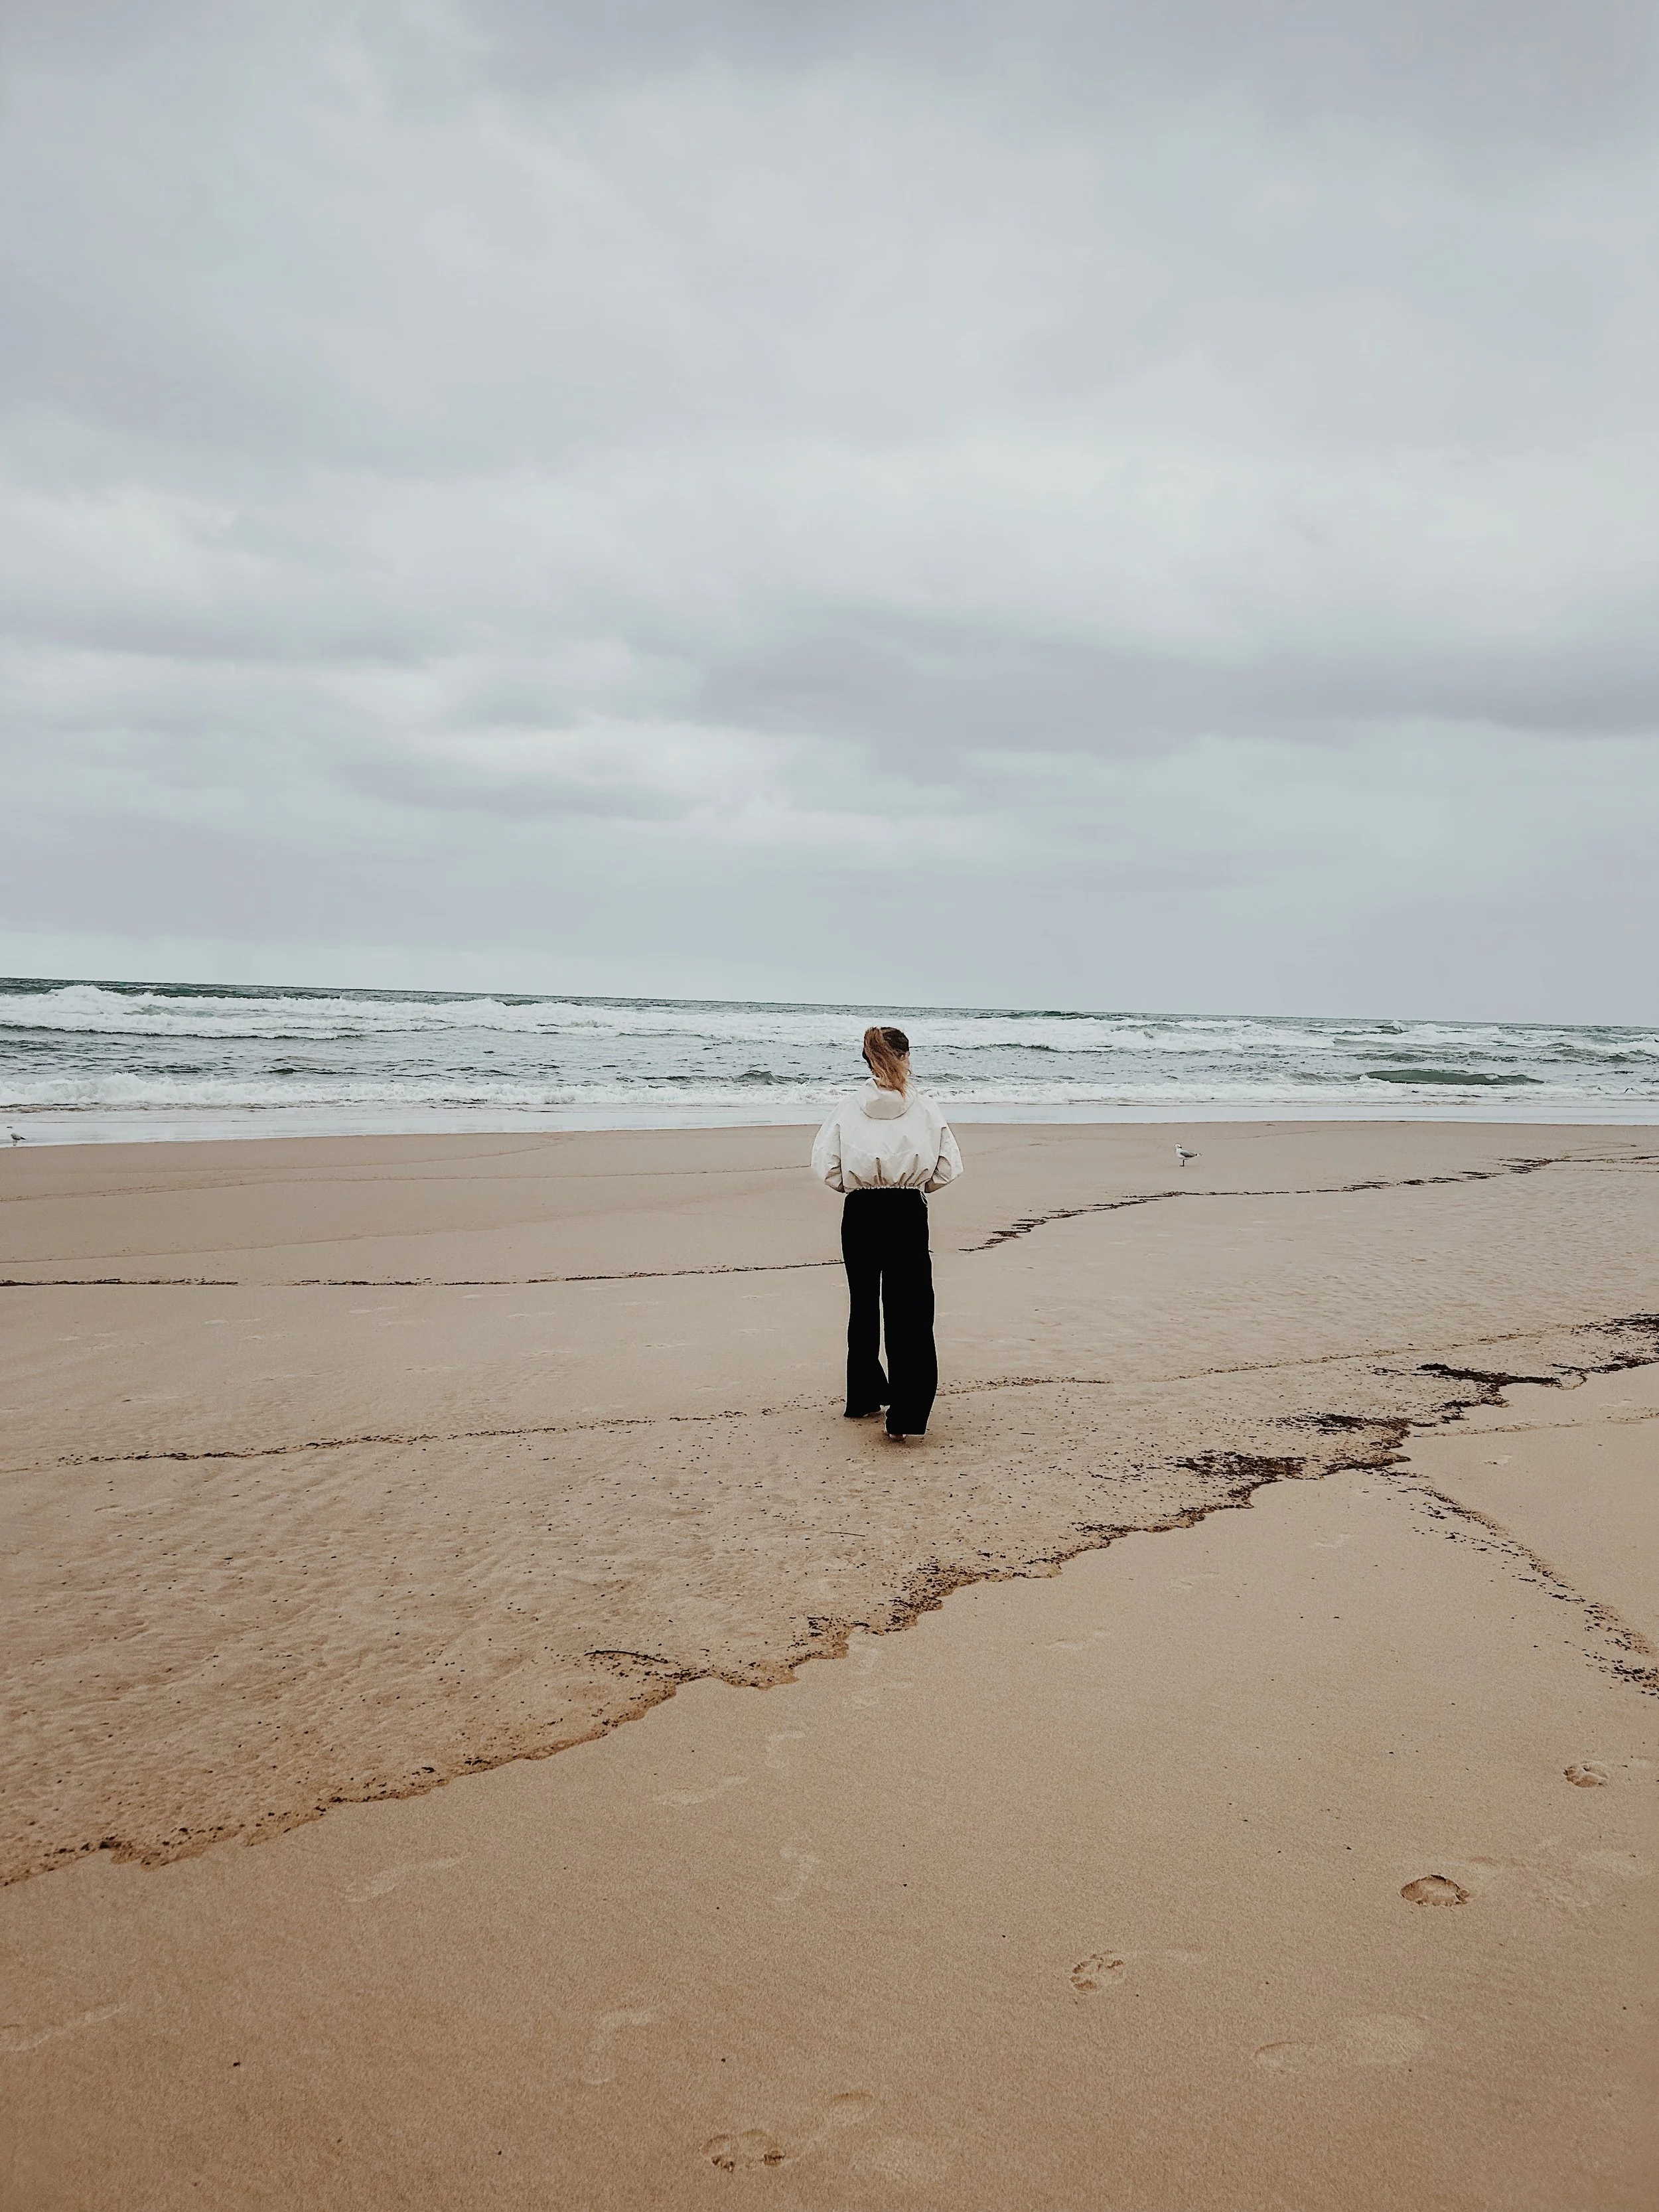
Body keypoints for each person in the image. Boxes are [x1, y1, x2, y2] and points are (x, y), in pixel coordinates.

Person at [810, 1025, 963, 1440]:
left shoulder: (847, 1107)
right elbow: (948, 1166)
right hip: (906, 1210)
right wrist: (918, 1185)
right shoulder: (926, 1107)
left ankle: (863, 1397)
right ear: (906, 1057)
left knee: (863, 1304)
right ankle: (908, 1415)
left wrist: (854, 1187)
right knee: (910, 1309)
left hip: (860, 1210)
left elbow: (826, 1165)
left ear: (867, 1060)